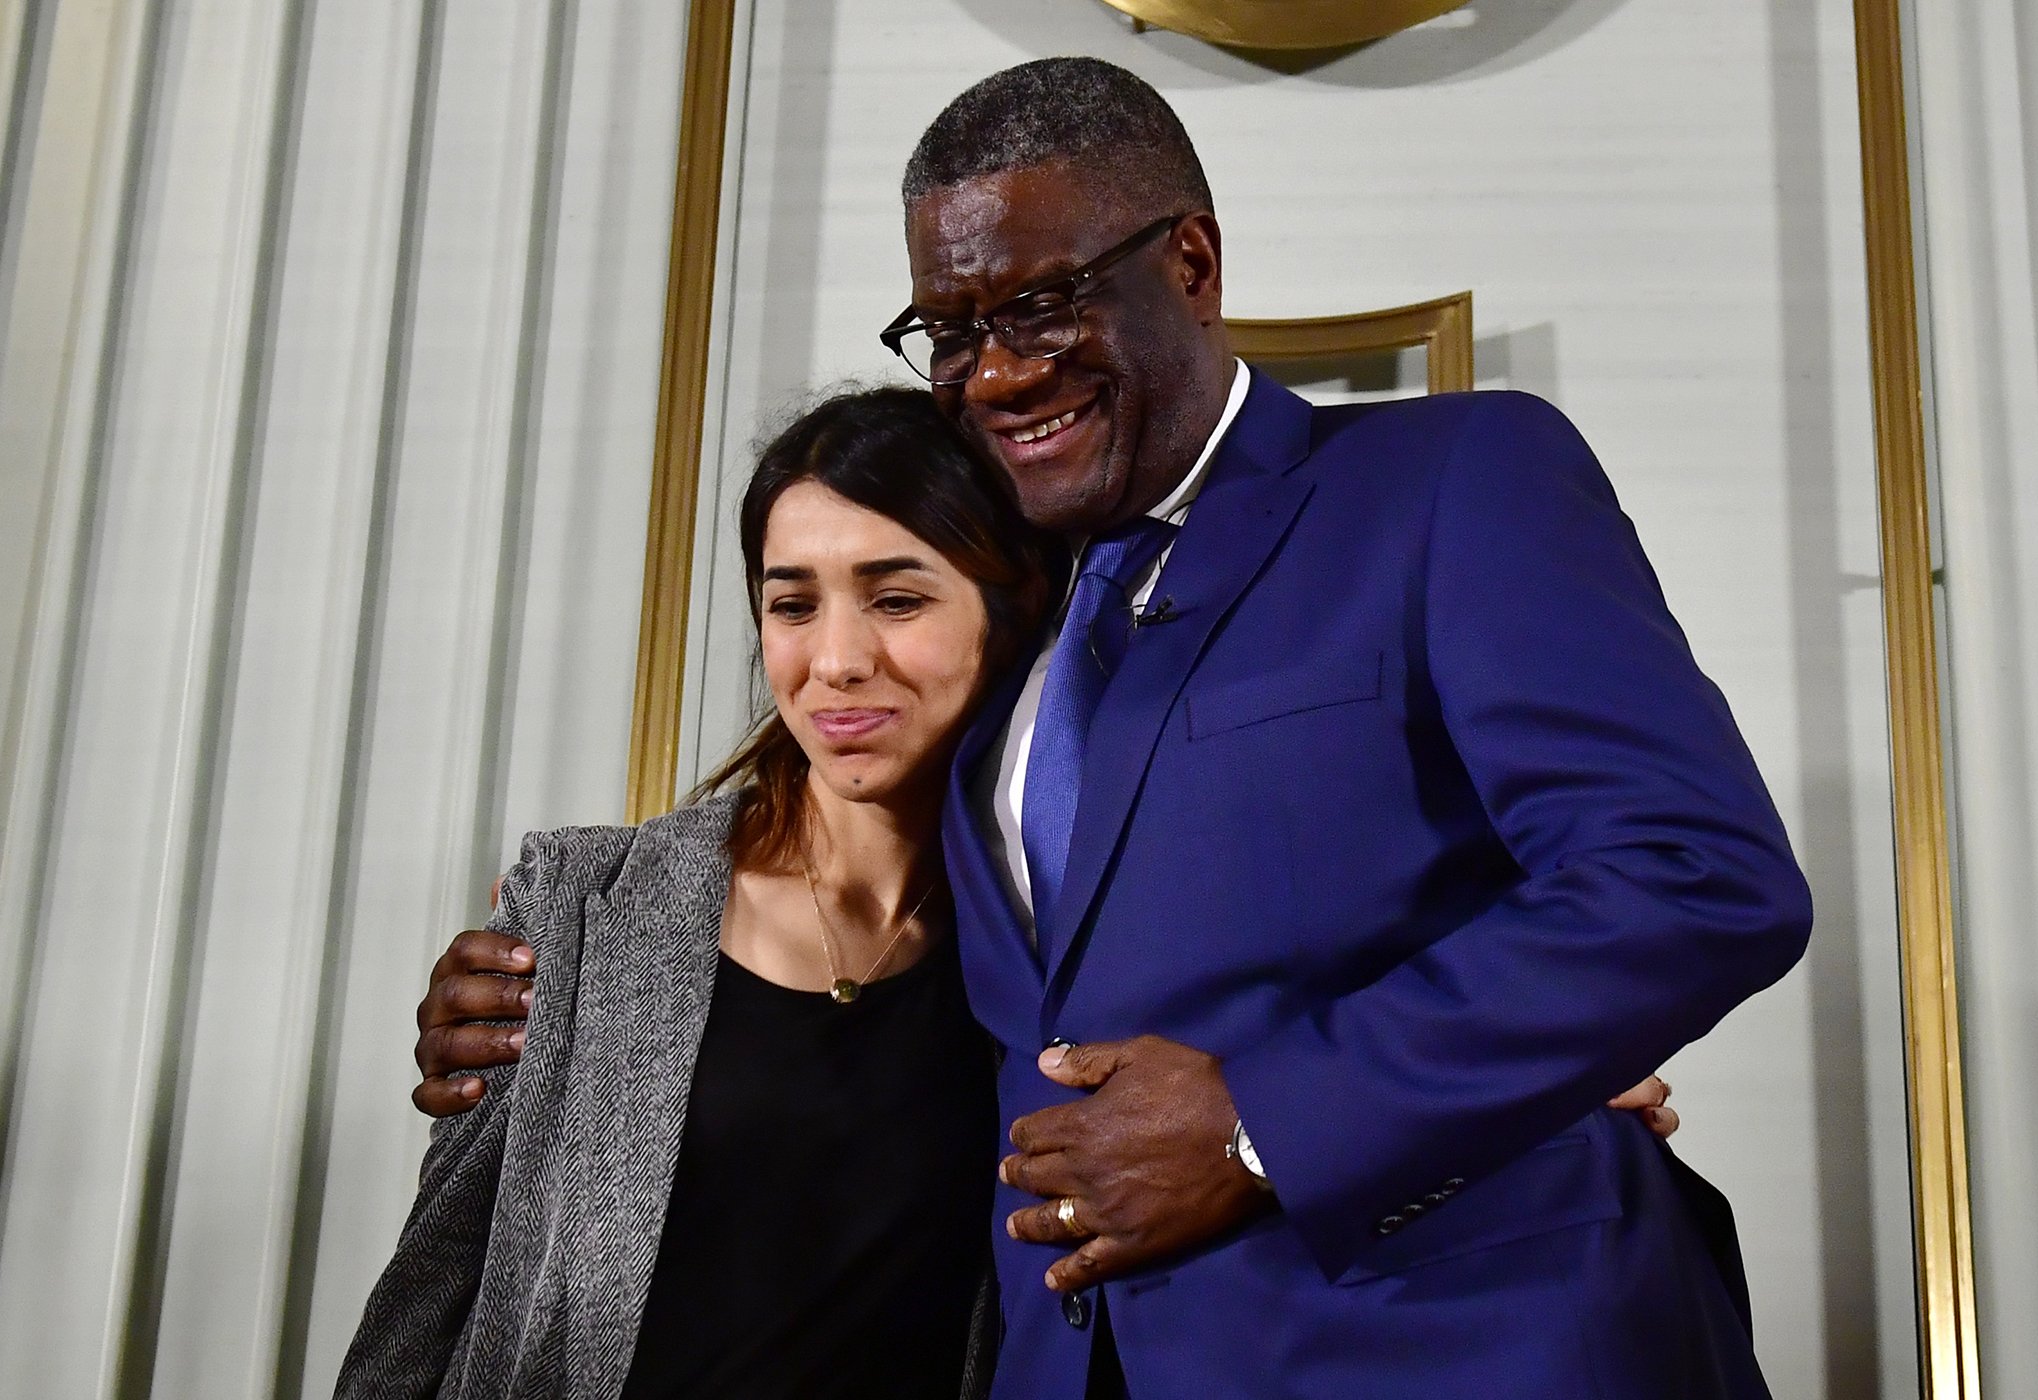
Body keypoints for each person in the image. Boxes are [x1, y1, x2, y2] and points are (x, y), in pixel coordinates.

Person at [413, 58, 1806, 1400]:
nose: (998, 373)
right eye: (953, 329)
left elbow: (1694, 875)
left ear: (1191, 265)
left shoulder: (1447, 481)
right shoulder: (1016, 605)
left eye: (1043, 302)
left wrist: (1280, 1122)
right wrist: (573, 976)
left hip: (1454, 1341)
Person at [338, 388, 1060, 1398]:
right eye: (793, 603)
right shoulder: (582, 906)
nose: (837, 661)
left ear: (1013, 601)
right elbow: (428, 1292)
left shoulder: (1049, 946)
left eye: (896, 598)